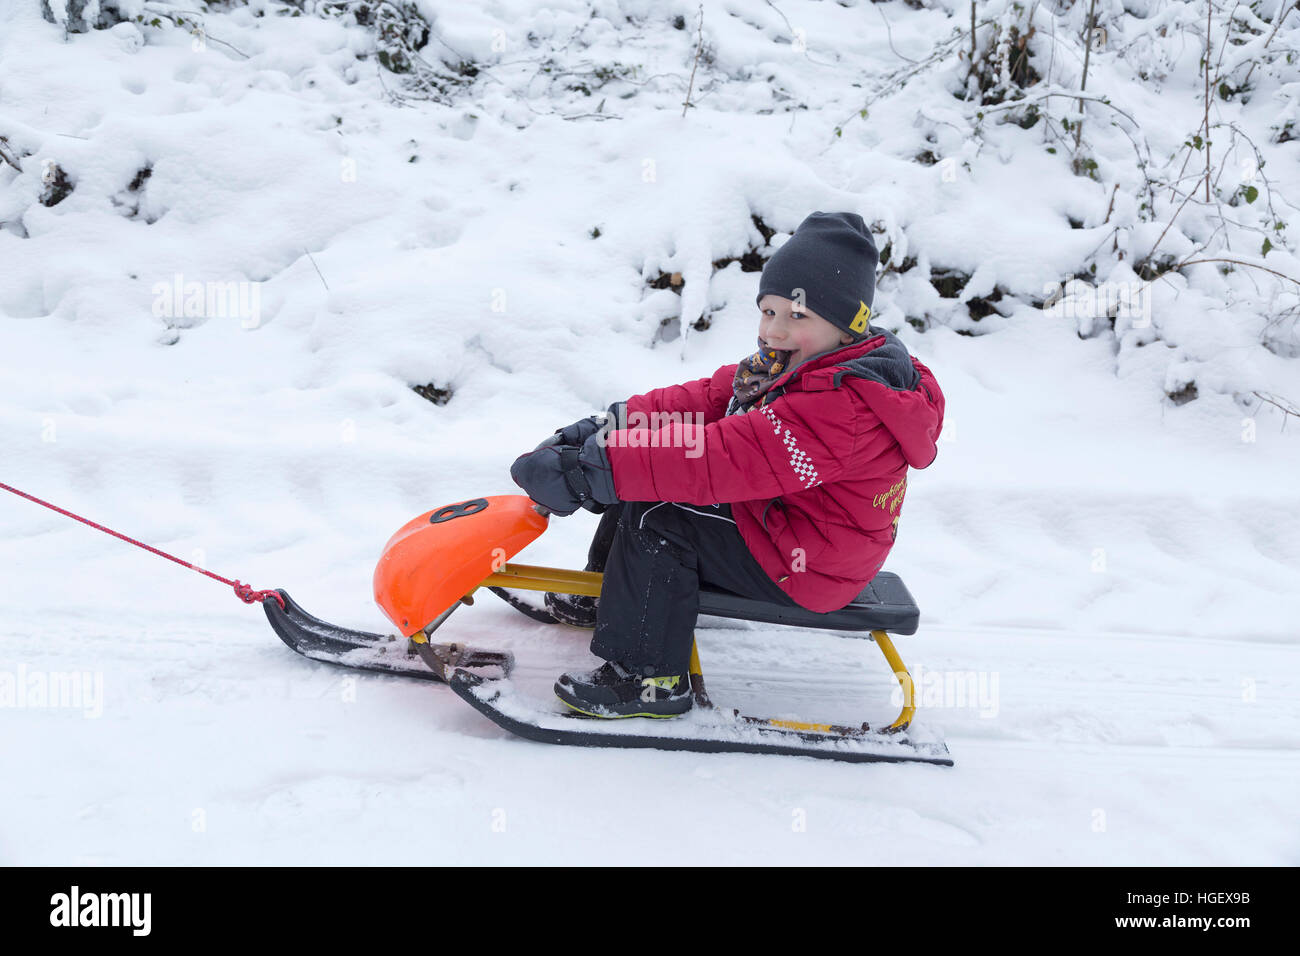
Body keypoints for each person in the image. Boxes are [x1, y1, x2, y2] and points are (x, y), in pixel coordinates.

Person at [510, 211, 945, 719]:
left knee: (660, 514)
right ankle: (611, 601)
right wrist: (609, 427)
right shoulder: (796, 366)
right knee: (647, 482)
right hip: (791, 525)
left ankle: (649, 680)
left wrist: (594, 471)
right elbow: (706, 401)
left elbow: (720, 458)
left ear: (848, 325)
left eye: (798, 316)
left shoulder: (842, 405)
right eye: (768, 311)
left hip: (809, 564)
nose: (775, 330)